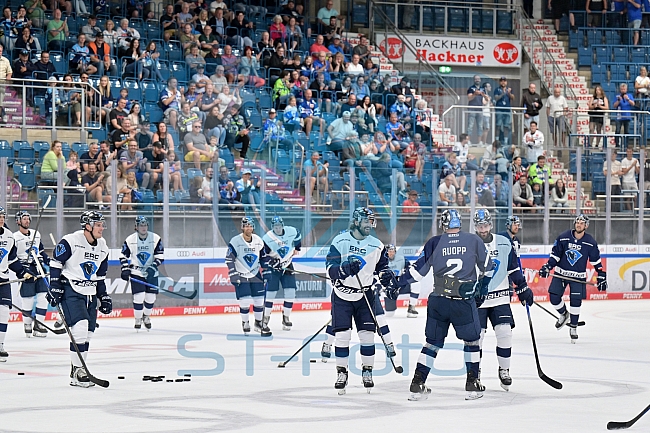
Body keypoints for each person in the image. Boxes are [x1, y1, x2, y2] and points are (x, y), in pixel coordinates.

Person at [396, 209, 492, 401]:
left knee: (432, 343)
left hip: (438, 300)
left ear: (443, 225)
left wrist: (396, 283)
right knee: (472, 341)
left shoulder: (434, 242)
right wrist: (482, 289)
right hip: (462, 302)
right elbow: (489, 268)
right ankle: (472, 383)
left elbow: (417, 273)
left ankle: (417, 382)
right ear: (460, 224)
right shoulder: (474, 240)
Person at [325, 207, 394, 394]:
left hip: (365, 295)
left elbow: (382, 268)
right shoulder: (340, 241)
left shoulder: (377, 245)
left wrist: (387, 277)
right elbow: (330, 269)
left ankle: (367, 371)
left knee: (367, 336)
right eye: (366, 221)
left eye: (372, 221)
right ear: (356, 221)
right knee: (342, 336)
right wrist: (345, 269)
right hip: (342, 296)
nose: (370, 225)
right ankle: (342, 372)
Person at [46, 211, 111, 386]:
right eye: (98, 224)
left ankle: (78, 369)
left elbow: (100, 276)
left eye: (102, 224)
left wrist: (103, 296)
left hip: (90, 292)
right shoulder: (71, 241)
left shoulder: (103, 247)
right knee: (80, 328)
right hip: (71, 289)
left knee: (88, 333)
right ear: (87, 226)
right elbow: (56, 263)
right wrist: (55, 285)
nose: (101, 228)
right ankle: (78, 371)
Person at [474, 209, 532, 392]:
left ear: (490, 225)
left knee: (505, 333)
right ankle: (474, 373)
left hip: (500, 298)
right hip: (478, 301)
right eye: (479, 226)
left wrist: (522, 287)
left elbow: (513, 268)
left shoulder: (504, 243)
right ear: (475, 226)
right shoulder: (470, 243)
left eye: (485, 225)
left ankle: (504, 369)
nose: (482, 229)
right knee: (476, 339)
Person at [538, 214, 607, 342]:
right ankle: (564, 314)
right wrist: (548, 266)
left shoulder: (590, 242)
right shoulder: (563, 237)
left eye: (582, 223)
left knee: (576, 301)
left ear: (586, 226)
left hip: (578, 276)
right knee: (553, 297)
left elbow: (596, 261)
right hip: (561, 273)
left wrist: (601, 274)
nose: (579, 224)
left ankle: (573, 326)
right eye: (577, 222)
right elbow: (555, 256)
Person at [226, 217, 280, 335]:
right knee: (244, 301)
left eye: (250, 226)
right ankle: (245, 322)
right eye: (246, 226)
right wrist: (233, 273)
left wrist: (267, 269)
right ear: (242, 227)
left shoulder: (258, 240)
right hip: (241, 275)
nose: (248, 228)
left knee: (259, 300)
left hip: (255, 274)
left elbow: (263, 258)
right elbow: (229, 259)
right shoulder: (235, 241)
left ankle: (258, 323)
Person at [119, 216, 164, 331]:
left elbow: (160, 256)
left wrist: (153, 266)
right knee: (139, 297)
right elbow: (123, 255)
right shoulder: (130, 239)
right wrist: (125, 268)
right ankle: (138, 318)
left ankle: (146, 316)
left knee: (150, 298)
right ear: (136, 227)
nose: (143, 227)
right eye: (140, 225)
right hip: (136, 272)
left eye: (145, 225)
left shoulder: (156, 238)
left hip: (151, 274)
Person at [261, 216, 302, 331]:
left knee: (291, 292)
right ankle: (265, 318)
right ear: (272, 227)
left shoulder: (290, 231)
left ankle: (286, 317)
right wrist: (271, 261)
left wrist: (297, 248)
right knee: (270, 294)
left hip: (287, 265)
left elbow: (298, 235)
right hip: (273, 269)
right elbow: (262, 256)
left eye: (279, 226)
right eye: (275, 227)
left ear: (282, 225)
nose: (277, 229)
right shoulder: (268, 238)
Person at [13, 211, 49, 338]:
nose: (27, 221)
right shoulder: (14, 237)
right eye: (24, 219)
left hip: (39, 267)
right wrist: (21, 270)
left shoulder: (36, 234)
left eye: (28, 218)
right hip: (25, 268)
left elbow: (41, 250)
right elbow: (12, 256)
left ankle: (40, 325)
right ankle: (27, 324)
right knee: (27, 299)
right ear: (18, 221)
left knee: (43, 297)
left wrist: (47, 260)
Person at [0, 207, 28, 361]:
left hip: (3, 280)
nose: (1, 219)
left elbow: (11, 259)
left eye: (3, 216)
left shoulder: (9, 236)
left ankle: (0, 344)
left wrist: (22, 272)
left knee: (4, 312)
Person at [613, 83, 635, 148]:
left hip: (627, 116)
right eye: (622, 89)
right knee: (617, 130)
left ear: (626, 89)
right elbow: (614, 106)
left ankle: (626, 144)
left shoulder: (629, 95)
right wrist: (619, 100)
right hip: (619, 116)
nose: (623, 90)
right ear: (620, 89)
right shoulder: (617, 96)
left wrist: (628, 99)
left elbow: (633, 104)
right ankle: (617, 144)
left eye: (624, 89)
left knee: (627, 131)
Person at [467, 75, 485, 142]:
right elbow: (469, 98)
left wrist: (484, 96)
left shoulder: (482, 89)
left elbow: (486, 99)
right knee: (470, 126)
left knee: (480, 126)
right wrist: (475, 94)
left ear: (480, 80)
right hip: (472, 108)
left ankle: (479, 142)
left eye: (478, 79)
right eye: (476, 79)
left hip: (480, 109)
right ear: (474, 80)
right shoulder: (471, 88)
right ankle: (468, 141)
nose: (477, 80)